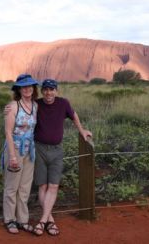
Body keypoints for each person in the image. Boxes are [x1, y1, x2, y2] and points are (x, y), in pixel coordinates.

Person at [32, 79, 92, 236]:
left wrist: (82, 130)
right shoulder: (36, 104)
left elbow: (74, 115)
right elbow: (21, 108)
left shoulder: (63, 103)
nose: (48, 93)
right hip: (39, 148)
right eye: (45, 89)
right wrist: (10, 109)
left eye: (51, 89)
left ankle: (42, 221)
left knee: (53, 186)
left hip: (57, 150)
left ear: (56, 91)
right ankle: (49, 221)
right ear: (42, 91)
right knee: (42, 186)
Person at [2, 74, 39, 234]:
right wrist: (12, 156)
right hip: (15, 149)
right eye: (23, 86)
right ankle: (10, 220)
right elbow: (8, 133)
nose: (27, 89)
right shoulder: (13, 106)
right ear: (19, 89)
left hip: (30, 150)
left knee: (25, 187)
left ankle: (22, 220)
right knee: (12, 187)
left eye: (30, 86)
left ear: (33, 88)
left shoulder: (36, 106)